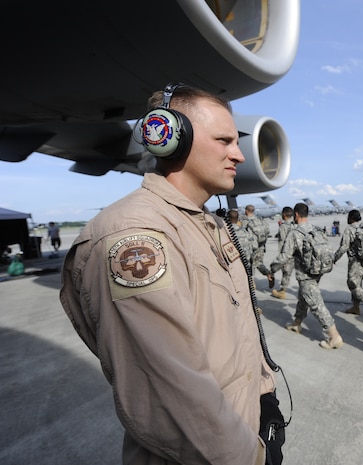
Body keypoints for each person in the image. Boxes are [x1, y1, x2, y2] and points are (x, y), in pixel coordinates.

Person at [60, 83, 278, 464]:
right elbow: (170, 390)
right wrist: (250, 457)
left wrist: (264, 395)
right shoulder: (135, 236)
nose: (239, 155)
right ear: (170, 140)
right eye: (225, 141)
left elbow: (236, 330)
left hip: (239, 436)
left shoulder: (205, 224)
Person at [270, 202, 344, 350]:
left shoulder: (295, 232)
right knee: (303, 297)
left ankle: (334, 336)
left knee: (316, 304)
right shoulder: (316, 230)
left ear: (296, 215)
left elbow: (284, 256)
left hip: (306, 274)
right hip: (318, 271)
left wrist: (271, 269)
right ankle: (296, 324)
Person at [333, 209, 363, 319]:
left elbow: (343, 247)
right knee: (358, 283)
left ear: (351, 218)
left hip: (356, 262)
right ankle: (356, 307)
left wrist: (334, 258)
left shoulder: (350, 229)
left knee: (352, 284)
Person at [242, 204, 275, 290]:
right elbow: (267, 230)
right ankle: (268, 273)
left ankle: (252, 282)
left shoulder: (245, 221)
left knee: (249, 264)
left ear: (246, 211)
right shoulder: (260, 220)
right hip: (261, 245)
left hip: (251, 247)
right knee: (258, 263)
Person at [271, 206, 295, 300]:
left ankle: (282, 291)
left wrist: (281, 255)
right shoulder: (295, 225)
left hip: (286, 253)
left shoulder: (283, 226)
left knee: (285, 272)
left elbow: (282, 242)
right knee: (290, 273)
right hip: (295, 253)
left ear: (284, 214)